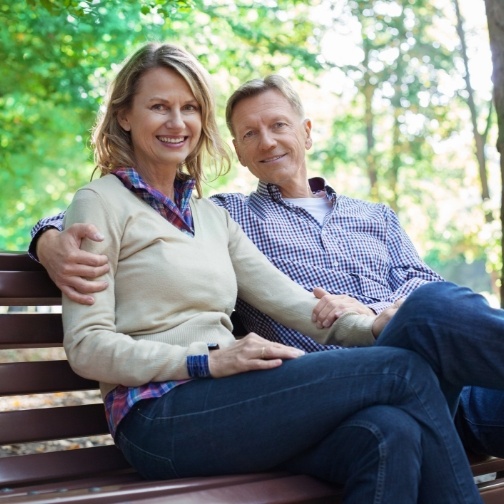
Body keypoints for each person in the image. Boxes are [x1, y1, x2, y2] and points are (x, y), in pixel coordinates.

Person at [53, 41, 483, 503]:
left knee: (388, 433)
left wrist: (379, 324)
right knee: (402, 371)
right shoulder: (100, 201)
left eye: (190, 108)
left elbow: (298, 305)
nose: (177, 123)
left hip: (234, 404)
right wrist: (205, 360)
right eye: (159, 107)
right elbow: (87, 347)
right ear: (124, 116)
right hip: (159, 416)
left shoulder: (212, 218)